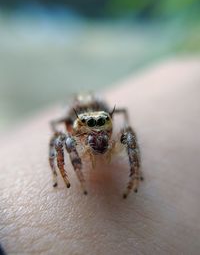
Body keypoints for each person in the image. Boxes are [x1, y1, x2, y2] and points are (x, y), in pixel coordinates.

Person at [1, 57, 200, 255]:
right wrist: (58, 171)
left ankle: (134, 175)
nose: (96, 136)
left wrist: (136, 169)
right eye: (88, 127)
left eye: (102, 125)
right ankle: (60, 173)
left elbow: (128, 134)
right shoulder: (72, 133)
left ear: (108, 120)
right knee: (61, 140)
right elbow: (57, 138)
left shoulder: (112, 129)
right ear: (74, 125)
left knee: (129, 135)